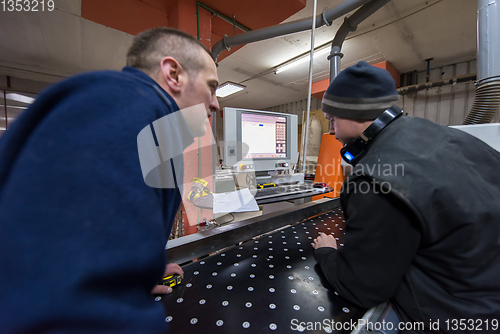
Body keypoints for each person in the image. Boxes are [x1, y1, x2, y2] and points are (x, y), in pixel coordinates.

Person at [0, 27, 219, 333]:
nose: (215, 104)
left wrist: (135, 273)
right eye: (211, 87)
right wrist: (115, 306)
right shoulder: (128, 108)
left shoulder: (141, 119)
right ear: (174, 74)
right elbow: (72, 311)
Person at [312, 61, 500, 333]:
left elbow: (361, 287)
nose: (332, 132)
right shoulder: (447, 136)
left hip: (457, 316)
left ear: (354, 113)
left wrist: (327, 253)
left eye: (332, 120)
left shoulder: (374, 176)